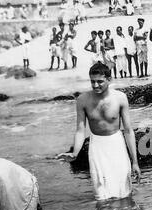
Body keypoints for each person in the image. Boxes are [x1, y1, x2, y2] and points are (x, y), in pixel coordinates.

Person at [57, 63, 141, 201]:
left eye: (100, 81)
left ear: (109, 79)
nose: (95, 85)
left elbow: (128, 130)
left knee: (124, 193)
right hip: (97, 146)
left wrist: (135, 162)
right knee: (101, 196)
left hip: (117, 144)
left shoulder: (120, 98)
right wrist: (75, 153)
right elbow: (80, 130)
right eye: (92, 81)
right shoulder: (83, 100)